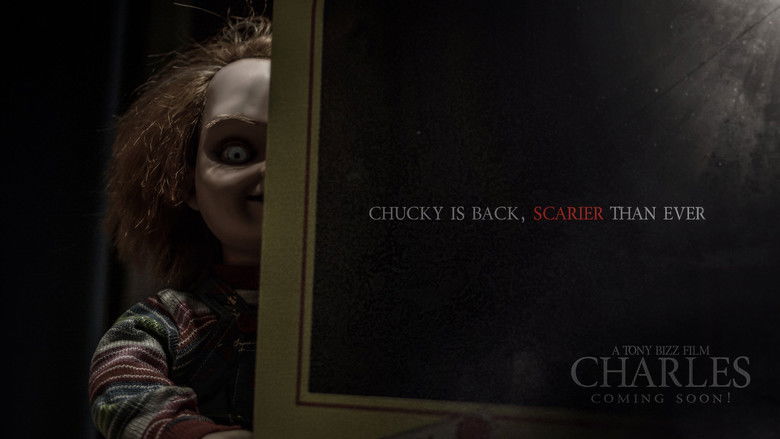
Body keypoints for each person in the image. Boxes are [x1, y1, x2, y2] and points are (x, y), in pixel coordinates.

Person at [89, 15, 271, 439]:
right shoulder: (169, 322)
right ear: (187, 184)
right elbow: (122, 385)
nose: (272, 170)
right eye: (237, 152)